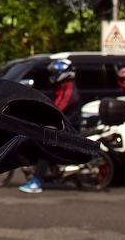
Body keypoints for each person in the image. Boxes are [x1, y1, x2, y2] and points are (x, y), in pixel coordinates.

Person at [19, 59, 81, 194]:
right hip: (63, 124)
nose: (53, 76)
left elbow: (58, 108)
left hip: (70, 127)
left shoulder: (69, 89)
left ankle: (36, 181)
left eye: (56, 72)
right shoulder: (62, 87)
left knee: (47, 146)